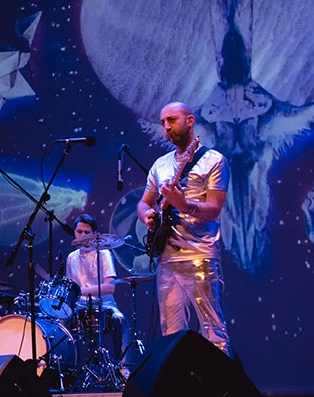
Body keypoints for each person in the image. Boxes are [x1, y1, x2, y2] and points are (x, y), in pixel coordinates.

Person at [135, 101, 232, 356]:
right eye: (163, 123)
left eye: (172, 120)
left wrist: (184, 204)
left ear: (190, 121)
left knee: (213, 331)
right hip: (168, 258)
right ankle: (179, 391)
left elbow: (213, 208)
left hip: (200, 255)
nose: (166, 127)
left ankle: (219, 390)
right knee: (171, 334)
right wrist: (147, 215)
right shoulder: (160, 165)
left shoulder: (214, 161)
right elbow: (144, 202)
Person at [65, 213, 127, 359]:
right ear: (74, 232)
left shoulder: (103, 253)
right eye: (79, 232)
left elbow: (109, 287)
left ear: (94, 234)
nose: (83, 235)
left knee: (120, 319)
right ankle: (68, 368)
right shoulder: (71, 257)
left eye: (87, 232)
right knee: (61, 324)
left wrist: (80, 291)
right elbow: (69, 287)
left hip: (104, 304)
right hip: (80, 306)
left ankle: (124, 367)